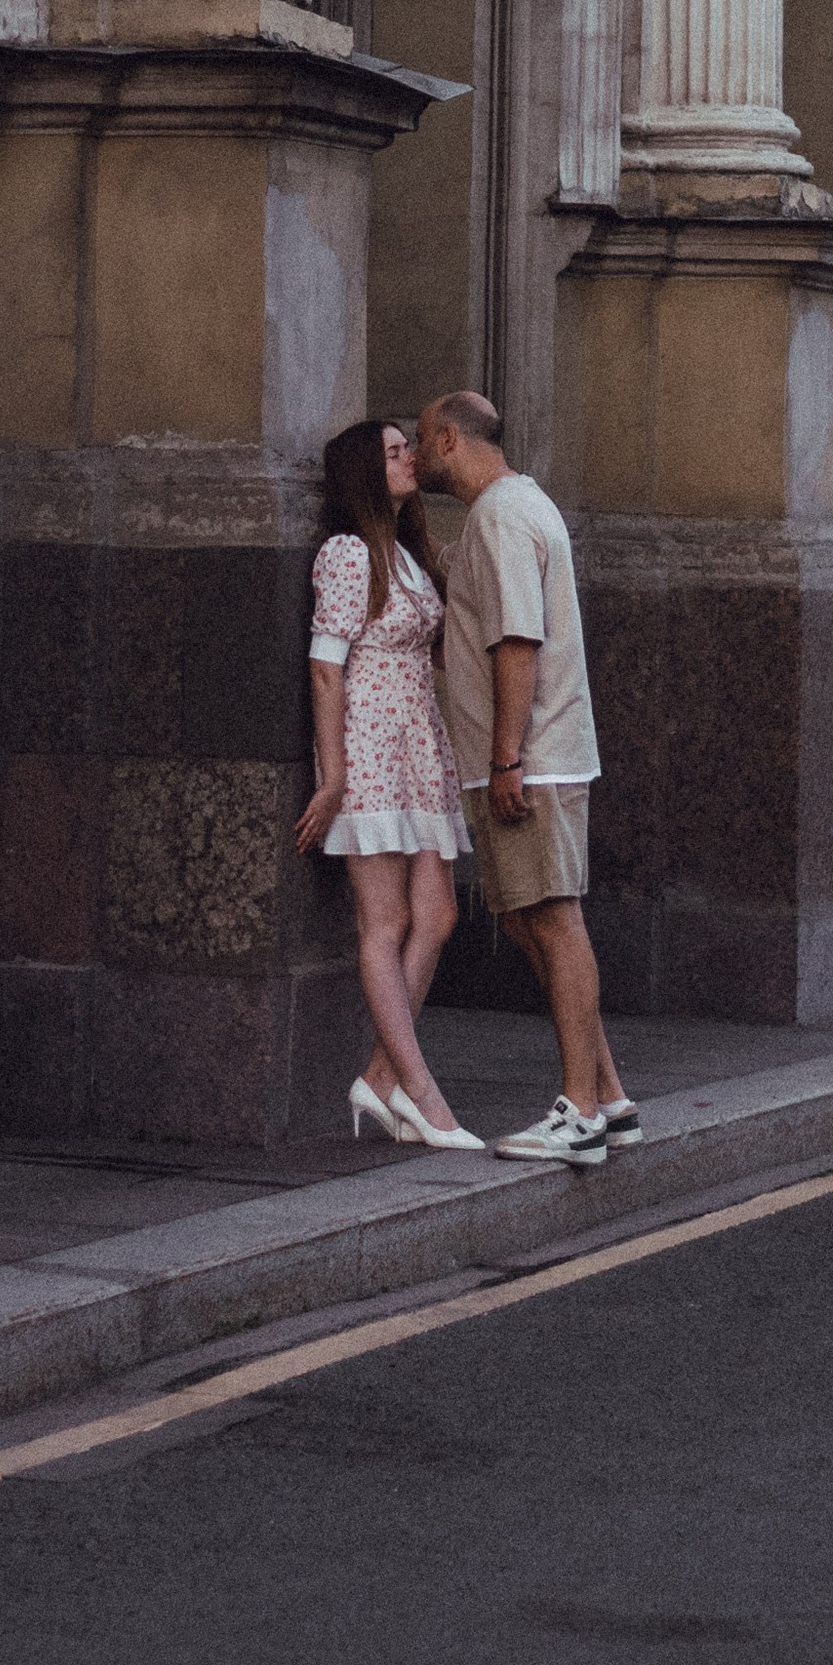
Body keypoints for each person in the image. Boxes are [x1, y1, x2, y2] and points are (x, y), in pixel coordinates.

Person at [415, 390, 634, 1168]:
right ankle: (606, 1094)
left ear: (448, 439)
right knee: (527, 919)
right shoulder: (517, 508)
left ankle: (578, 1112)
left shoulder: (503, 515)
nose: (413, 456)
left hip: (529, 760)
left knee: (552, 920)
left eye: (419, 441)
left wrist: (506, 758)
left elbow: (517, 642)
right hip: (532, 756)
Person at [296, 418, 482, 1153]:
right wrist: (334, 775)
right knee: (386, 924)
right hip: (370, 746)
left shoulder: (406, 553)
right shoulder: (346, 554)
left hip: (418, 744)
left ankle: (380, 1080)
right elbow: (324, 667)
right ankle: (423, 1093)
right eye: (395, 452)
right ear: (365, 474)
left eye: (409, 448)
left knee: (435, 916)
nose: (409, 460)